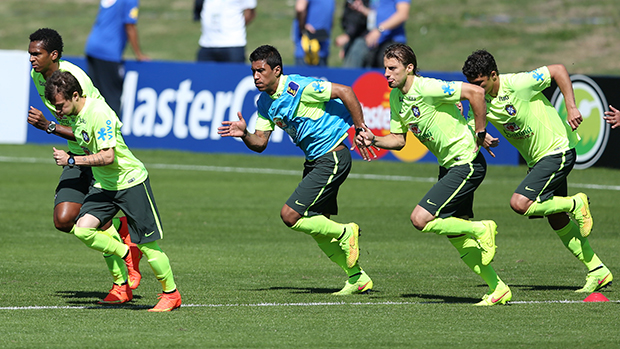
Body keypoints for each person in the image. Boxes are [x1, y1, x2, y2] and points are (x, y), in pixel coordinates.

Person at [356, 43, 511, 306]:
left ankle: (482, 229)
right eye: (385, 68)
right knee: (455, 234)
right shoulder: (396, 97)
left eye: (392, 68)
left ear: (409, 68)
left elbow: (475, 93)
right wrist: (374, 140)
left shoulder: (427, 87)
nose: (387, 74)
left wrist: (480, 132)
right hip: (449, 165)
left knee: (420, 219)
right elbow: (398, 140)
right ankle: (498, 288)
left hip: (466, 162)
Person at [218, 45, 373, 295]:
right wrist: (244, 134)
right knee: (316, 227)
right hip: (314, 161)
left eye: (261, 71)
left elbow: (346, 91)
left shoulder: (300, 87)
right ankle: (357, 277)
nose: (256, 77)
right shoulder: (265, 103)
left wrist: (361, 128)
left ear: (276, 70)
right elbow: (260, 143)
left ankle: (347, 232)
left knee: (290, 215)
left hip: (332, 156)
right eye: (253, 72)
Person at [462, 49, 613, 293]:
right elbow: (474, 125)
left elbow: (558, 70)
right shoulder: (481, 99)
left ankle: (576, 204)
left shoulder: (518, 84)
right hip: (539, 160)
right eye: (472, 85)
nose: (476, 90)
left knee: (520, 203)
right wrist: (482, 136)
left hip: (558, 150)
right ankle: (598, 270)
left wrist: (571, 107)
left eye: (479, 83)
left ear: (492, 75)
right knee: (555, 217)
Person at [45, 70, 182, 311]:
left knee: (149, 246)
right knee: (82, 230)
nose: (57, 111)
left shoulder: (99, 113)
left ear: (75, 95)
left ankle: (171, 294)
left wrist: (71, 161)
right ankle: (126, 254)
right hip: (105, 185)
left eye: (60, 105)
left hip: (130, 182)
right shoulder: (76, 116)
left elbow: (108, 156)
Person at [27, 28, 143, 291]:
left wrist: (49, 127)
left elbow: (89, 132)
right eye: (30, 53)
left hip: (94, 153)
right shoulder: (37, 76)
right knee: (64, 219)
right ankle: (116, 230)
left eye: (37, 54)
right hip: (76, 153)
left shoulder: (75, 78)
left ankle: (120, 284)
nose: (32, 59)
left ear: (53, 55)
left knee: (87, 223)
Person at [85, 0, 149, 116]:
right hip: (108, 52)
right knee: (111, 98)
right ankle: (112, 132)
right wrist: (139, 54)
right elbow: (130, 26)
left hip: (92, 47)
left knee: (93, 97)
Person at [344, 0, 410, 68]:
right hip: (375, 42)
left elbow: (402, 14)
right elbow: (376, 15)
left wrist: (379, 29)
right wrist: (362, 9)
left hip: (392, 41)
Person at [292, 0, 335, 66]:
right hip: (307, 47)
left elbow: (300, 8)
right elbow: (300, 8)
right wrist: (303, 27)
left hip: (319, 47)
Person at [334, 0, 370, 66]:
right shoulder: (349, 2)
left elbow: (360, 19)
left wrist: (348, 35)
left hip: (365, 39)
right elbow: (348, 19)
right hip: (352, 38)